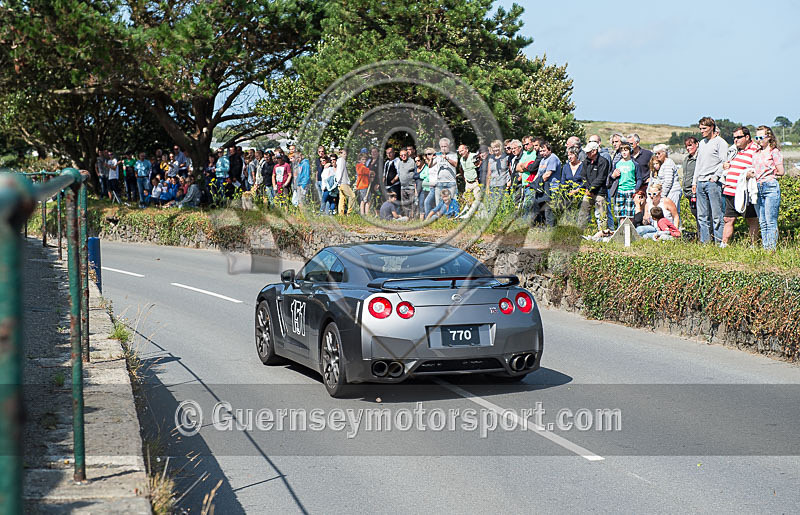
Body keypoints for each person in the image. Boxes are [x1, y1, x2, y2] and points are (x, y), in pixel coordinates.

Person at [720, 126, 759, 245]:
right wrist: (726, 166)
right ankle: (724, 244)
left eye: (738, 137)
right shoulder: (735, 151)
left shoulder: (755, 150)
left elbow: (758, 168)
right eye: (734, 138)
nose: (735, 140)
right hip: (730, 190)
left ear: (747, 137)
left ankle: (753, 244)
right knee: (728, 219)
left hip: (744, 191)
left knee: (751, 219)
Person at [692, 116, 728, 244]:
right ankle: (705, 242)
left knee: (717, 215)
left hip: (713, 182)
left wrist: (716, 176)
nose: (702, 131)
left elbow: (724, 162)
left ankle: (719, 242)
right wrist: (694, 181)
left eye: (704, 128)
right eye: (700, 128)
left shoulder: (720, 143)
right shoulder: (702, 143)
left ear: (711, 127)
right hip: (701, 181)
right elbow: (699, 163)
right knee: (702, 216)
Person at [750, 125, 785, 250]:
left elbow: (781, 171)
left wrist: (770, 172)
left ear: (769, 137)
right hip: (757, 187)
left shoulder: (774, 152)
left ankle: (771, 248)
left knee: (770, 221)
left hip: (770, 186)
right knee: (762, 221)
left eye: (761, 137)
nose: (759, 140)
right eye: (757, 137)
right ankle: (766, 247)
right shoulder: (756, 153)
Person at [529, 141, 561, 227]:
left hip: (551, 188)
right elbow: (538, 174)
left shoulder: (553, 158)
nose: (542, 153)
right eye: (540, 151)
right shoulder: (543, 160)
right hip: (542, 188)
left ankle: (550, 229)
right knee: (539, 209)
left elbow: (547, 175)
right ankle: (540, 227)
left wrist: (536, 183)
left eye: (544, 150)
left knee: (548, 210)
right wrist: (533, 184)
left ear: (549, 150)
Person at [579, 141, 610, 231]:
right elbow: (583, 176)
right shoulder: (586, 161)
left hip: (600, 193)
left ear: (594, 151)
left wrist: (591, 188)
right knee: (583, 213)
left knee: (602, 215)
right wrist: (588, 188)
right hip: (588, 192)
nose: (586, 153)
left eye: (589, 151)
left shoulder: (603, 162)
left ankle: (602, 233)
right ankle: (580, 232)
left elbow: (601, 178)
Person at [608, 143, 642, 221]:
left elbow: (639, 178)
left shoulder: (634, 164)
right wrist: (613, 175)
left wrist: (636, 189)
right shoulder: (617, 164)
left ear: (630, 151)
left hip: (631, 190)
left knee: (630, 214)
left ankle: (630, 231)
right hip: (620, 190)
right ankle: (622, 231)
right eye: (622, 151)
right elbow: (611, 177)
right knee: (620, 214)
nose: (624, 153)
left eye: (626, 150)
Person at [681, 136, 700, 235]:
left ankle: (704, 237)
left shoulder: (699, 158)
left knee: (700, 215)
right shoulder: (687, 159)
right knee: (695, 214)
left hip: (696, 192)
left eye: (690, 145)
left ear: (697, 144)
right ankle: (699, 234)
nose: (688, 148)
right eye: (686, 146)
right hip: (688, 192)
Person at [434, 138, 458, 204]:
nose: (443, 148)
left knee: (453, 202)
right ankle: (440, 214)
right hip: (440, 182)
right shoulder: (437, 155)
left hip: (451, 182)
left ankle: (452, 214)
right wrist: (430, 159)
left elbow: (455, 164)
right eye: (442, 146)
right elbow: (431, 165)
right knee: (439, 202)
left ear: (449, 146)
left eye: (445, 146)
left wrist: (446, 158)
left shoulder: (453, 154)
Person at [395, 148, 416, 218]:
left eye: (404, 155)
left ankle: (413, 218)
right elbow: (399, 173)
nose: (403, 156)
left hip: (411, 187)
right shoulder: (400, 163)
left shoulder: (412, 161)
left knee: (412, 203)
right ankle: (408, 217)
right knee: (405, 204)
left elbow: (413, 171)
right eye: (401, 155)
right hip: (403, 187)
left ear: (407, 154)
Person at [334, 148, 356, 215]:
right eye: (344, 154)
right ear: (340, 154)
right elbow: (340, 172)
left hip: (341, 183)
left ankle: (341, 214)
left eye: (346, 154)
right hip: (343, 183)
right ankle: (349, 213)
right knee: (352, 196)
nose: (345, 155)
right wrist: (338, 181)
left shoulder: (340, 161)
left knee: (342, 199)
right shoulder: (342, 160)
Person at [422, 147, 439, 217]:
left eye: (429, 154)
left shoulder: (437, 161)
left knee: (429, 202)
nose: (427, 156)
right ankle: (430, 219)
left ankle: (429, 219)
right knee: (428, 203)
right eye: (426, 155)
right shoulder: (429, 163)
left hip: (437, 186)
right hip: (432, 187)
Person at [414, 154, 430, 220]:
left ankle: (424, 220)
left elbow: (426, 176)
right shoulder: (416, 169)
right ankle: (421, 220)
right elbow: (415, 180)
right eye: (416, 161)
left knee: (422, 203)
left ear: (422, 160)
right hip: (418, 188)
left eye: (418, 160)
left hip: (425, 188)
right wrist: (415, 190)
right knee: (419, 204)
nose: (417, 162)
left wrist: (419, 176)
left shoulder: (426, 167)